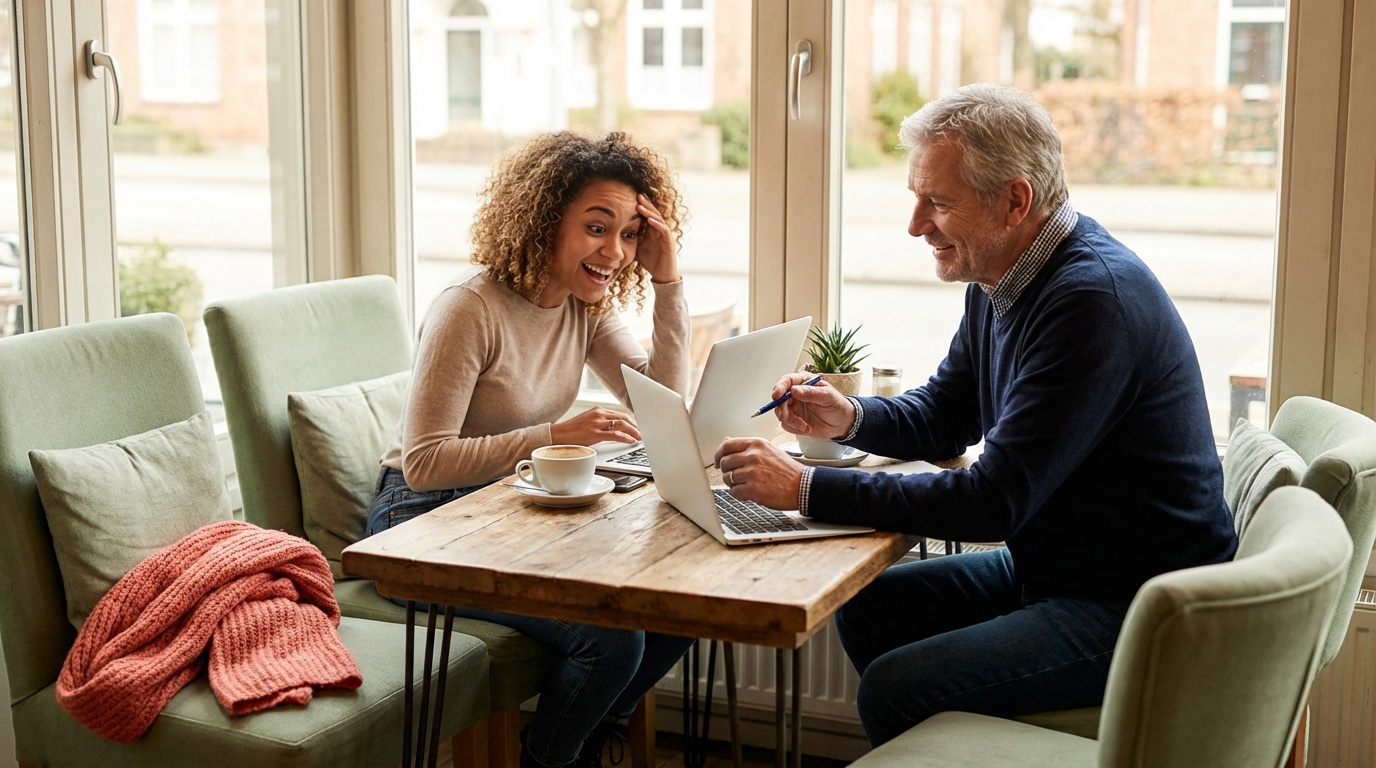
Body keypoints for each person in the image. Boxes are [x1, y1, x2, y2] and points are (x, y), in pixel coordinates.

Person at [713, 84, 1237, 746]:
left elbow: (994, 503)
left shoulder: (1090, 304)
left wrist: (805, 489)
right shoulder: (1003, 275)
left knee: (898, 686)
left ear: (1015, 200)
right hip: (1062, 571)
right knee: (869, 610)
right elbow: (945, 415)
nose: (915, 224)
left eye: (938, 202)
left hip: (1140, 606)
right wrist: (847, 416)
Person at [363, 131, 697, 768]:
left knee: (684, 602)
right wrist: (553, 436)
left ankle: (588, 739)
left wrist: (669, 280)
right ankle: (553, 758)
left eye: (630, 234)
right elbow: (425, 462)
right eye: (598, 228)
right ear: (546, 223)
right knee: (611, 640)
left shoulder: (583, 305)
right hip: (418, 520)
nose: (616, 251)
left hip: (513, 504)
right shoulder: (471, 307)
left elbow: (663, 402)